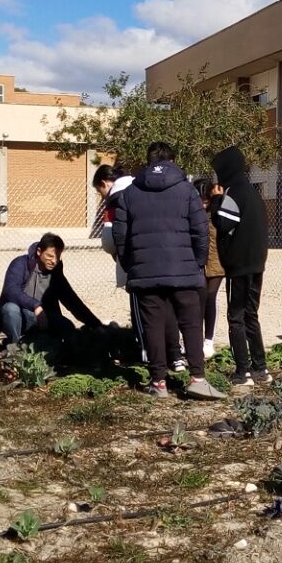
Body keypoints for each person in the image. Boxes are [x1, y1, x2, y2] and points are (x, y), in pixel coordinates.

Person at [112, 142, 225, 400]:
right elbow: (201, 231)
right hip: (184, 270)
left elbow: (120, 233)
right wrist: (196, 262)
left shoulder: (131, 193)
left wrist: (131, 264)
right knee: (191, 323)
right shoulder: (187, 191)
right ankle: (197, 378)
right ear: (172, 161)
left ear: (147, 160)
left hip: (145, 272)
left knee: (153, 325)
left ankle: (158, 383)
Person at [94, 164, 187, 373]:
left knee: (142, 311)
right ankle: (175, 355)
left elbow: (111, 237)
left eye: (99, 190)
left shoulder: (116, 199)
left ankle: (148, 355)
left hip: (136, 265)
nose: (101, 195)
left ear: (104, 183)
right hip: (165, 260)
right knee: (168, 308)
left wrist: (120, 256)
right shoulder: (144, 189)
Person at [210, 145, 271, 386]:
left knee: (235, 316)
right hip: (256, 264)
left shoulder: (233, 192)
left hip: (240, 265)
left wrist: (215, 201)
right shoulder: (252, 192)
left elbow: (223, 224)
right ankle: (261, 368)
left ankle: (242, 372)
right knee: (250, 315)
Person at [0, 233, 102, 346]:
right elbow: (11, 290)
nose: (54, 261)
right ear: (39, 251)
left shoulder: (56, 273)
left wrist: (97, 325)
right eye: (50, 256)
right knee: (10, 309)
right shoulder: (20, 264)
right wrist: (36, 306)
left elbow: (72, 301)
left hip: (43, 319)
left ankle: (38, 343)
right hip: (20, 317)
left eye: (58, 256)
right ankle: (14, 347)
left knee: (68, 327)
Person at [193, 178, 226, 359]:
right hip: (197, 263)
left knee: (210, 297)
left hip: (216, 262)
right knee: (199, 299)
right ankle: (195, 339)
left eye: (207, 198)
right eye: (201, 198)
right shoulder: (192, 213)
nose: (204, 202)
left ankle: (209, 340)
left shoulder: (217, 212)